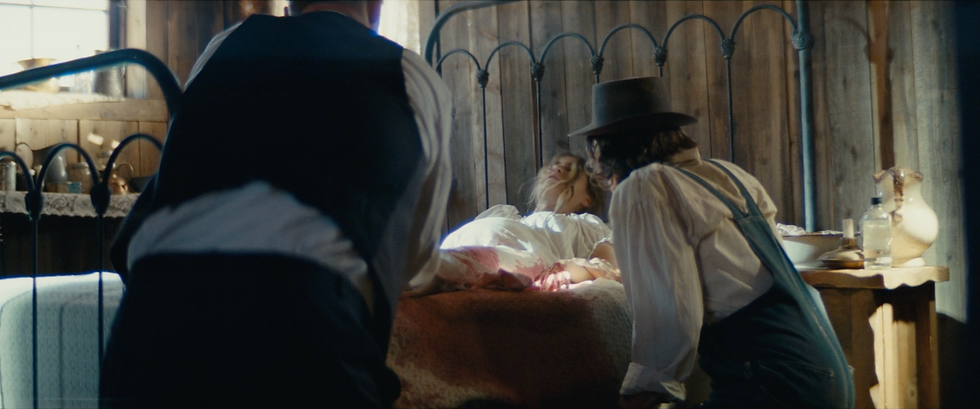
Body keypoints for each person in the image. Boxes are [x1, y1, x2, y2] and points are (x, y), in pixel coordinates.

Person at [99, 1, 452, 408]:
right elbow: (415, 258)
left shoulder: (226, 46)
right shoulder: (413, 78)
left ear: (289, 7)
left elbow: (180, 172)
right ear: (376, 6)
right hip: (305, 338)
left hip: (147, 330)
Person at [572, 76, 854, 408]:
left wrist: (643, 388)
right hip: (826, 372)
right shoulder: (729, 174)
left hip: (774, 379)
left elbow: (668, 310)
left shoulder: (644, 188)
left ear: (607, 149)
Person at [407, 153, 618, 295]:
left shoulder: (586, 225)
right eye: (554, 165)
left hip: (517, 261)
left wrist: (568, 272)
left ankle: (418, 272)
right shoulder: (503, 213)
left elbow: (608, 271)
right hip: (453, 250)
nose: (557, 169)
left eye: (570, 169)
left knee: (426, 267)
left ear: (587, 198)